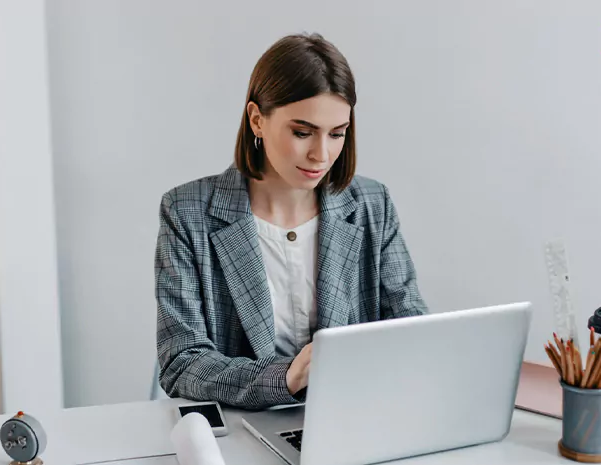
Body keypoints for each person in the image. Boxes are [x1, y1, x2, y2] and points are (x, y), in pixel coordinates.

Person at [154, 32, 427, 411]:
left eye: (337, 134)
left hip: (355, 417)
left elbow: (412, 327)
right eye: (302, 133)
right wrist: (286, 378)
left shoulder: (371, 204)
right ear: (257, 120)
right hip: (246, 427)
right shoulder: (187, 213)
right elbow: (181, 363)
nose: (321, 154)